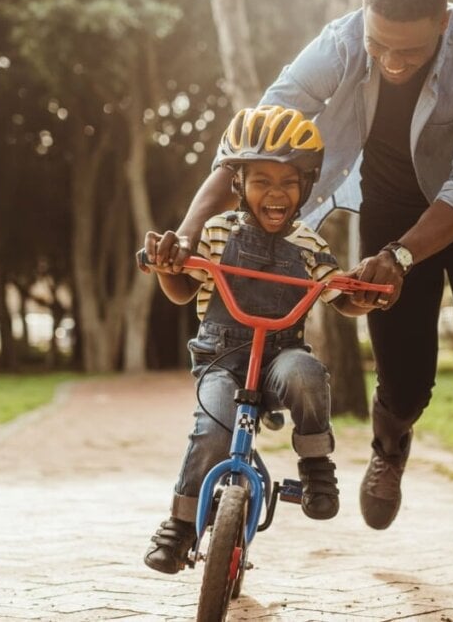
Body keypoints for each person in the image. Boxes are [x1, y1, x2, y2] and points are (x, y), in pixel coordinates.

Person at [158, 0, 453, 600]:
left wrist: (402, 258)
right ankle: (392, 440)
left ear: (443, 22)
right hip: (390, 208)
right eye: (380, 45)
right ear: (365, 19)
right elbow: (258, 134)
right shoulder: (340, 42)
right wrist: (190, 228)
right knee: (407, 377)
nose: (392, 62)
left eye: (409, 52)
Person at [138, 105, 380, 576]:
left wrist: (364, 297)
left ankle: (315, 466)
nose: (275, 193)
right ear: (238, 185)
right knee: (212, 431)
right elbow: (184, 288)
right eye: (261, 180)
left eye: (289, 182)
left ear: (306, 187)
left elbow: (338, 295)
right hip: (222, 359)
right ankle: (180, 524)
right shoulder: (214, 232)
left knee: (307, 375)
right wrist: (169, 268)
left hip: (280, 357)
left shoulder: (310, 244)